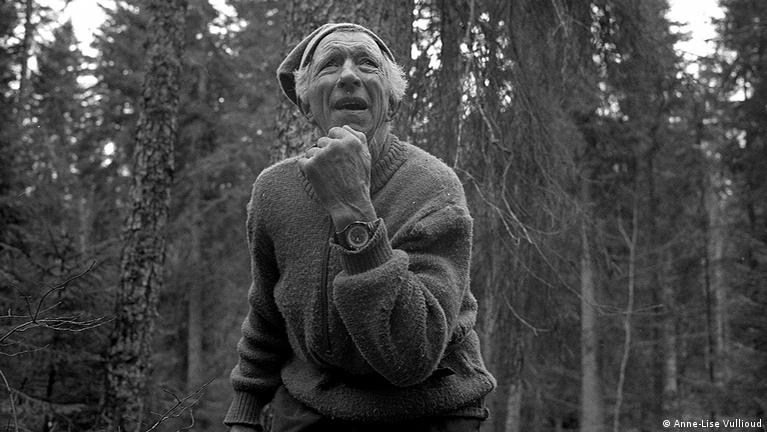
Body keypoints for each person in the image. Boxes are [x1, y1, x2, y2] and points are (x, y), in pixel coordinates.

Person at [225, 22, 496, 432]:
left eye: (367, 63)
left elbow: (413, 356)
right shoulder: (274, 190)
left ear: (392, 102)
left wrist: (353, 208)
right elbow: (266, 315)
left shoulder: (433, 186)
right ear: (305, 104)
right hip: (313, 403)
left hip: (429, 409)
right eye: (329, 64)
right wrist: (245, 413)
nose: (349, 75)